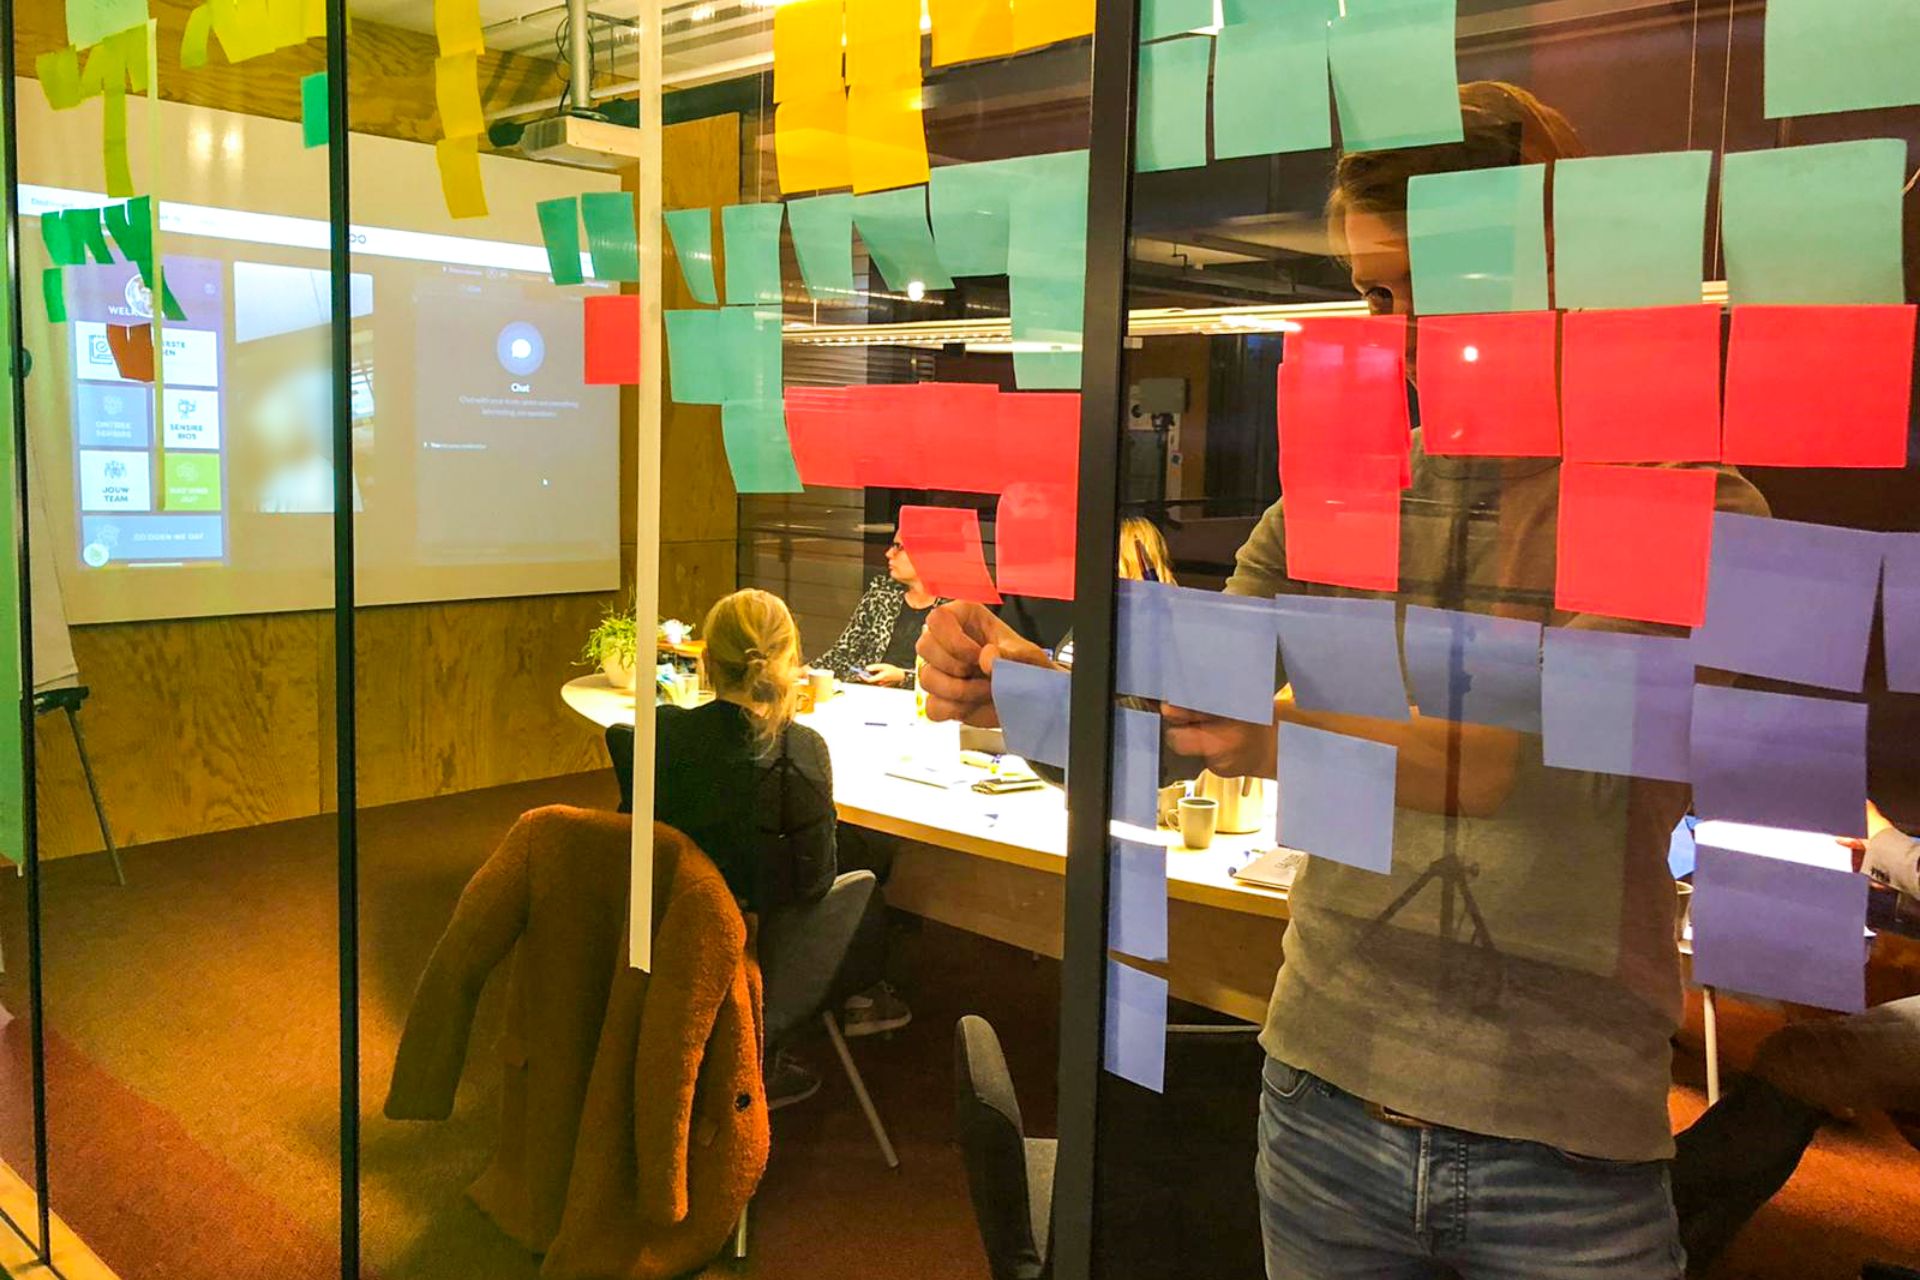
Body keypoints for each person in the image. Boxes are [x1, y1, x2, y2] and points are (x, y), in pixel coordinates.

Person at [920, 82, 1775, 1278]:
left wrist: (1265, 731)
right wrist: (1020, 690)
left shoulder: (1683, 503)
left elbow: (1499, 761)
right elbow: (1175, 724)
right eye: (1379, 295)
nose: (1407, 335)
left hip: (1563, 1144)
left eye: (1447, 286)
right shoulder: (1334, 504)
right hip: (1326, 1092)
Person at [654, 589, 837, 1109]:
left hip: (675, 926)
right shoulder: (799, 749)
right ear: (789, 661)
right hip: (764, 939)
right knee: (870, 878)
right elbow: (818, 880)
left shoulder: (664, 732)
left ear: (707, 659)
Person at [813, 532, 946, 688]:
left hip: (923, 698)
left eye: (898, 547)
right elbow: (844, 653)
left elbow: (953, 675)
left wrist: (903, 677)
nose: (888, 553)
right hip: (867, 691)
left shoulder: (952, 609)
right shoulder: (882, 594)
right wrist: (806, 671)